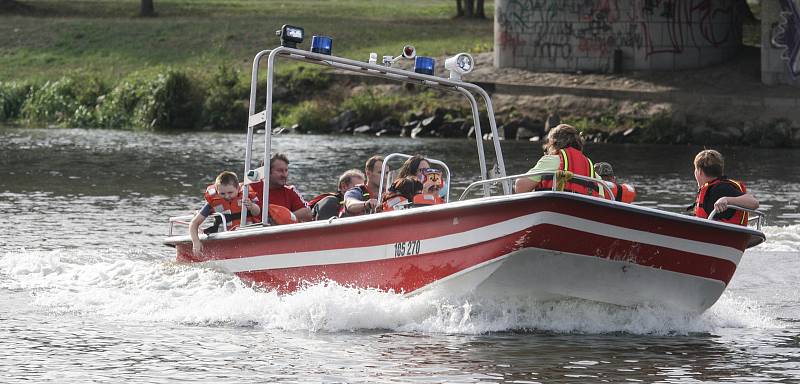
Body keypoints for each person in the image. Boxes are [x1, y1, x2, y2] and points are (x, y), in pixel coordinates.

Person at [514, 124, 604, 197]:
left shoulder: (550, 161)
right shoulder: (591, 169)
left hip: (552, 211)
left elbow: (520, 187)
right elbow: (601, 198)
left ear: (553, 143)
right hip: (582, 213)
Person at [189, 171, 261, 254]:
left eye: (230, 192)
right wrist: (196, 242)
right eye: (222, 194)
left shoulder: (246, 197)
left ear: (238, 188)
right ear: (217, 191)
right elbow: (194, 223)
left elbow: (257, 213)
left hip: (247, 233)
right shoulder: (213, 202)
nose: (227, 196)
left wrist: (251, 206)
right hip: (224, 236)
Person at [691, 149, 758, 225]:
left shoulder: (721, 188)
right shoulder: (709, 189)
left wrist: (726, 199)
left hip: (728, 234)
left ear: (699, 172)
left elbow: (754, 203)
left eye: (695, 169)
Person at [250, 153, 312, 222]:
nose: (284, 175)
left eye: (286, 170)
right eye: (280, 171)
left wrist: (283, 218)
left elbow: (307, 213)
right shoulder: (250, 188)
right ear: (267, 172)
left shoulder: (290, 190)